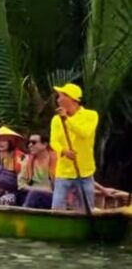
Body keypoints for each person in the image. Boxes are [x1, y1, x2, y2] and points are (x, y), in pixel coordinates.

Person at [50, 83, 99, 211]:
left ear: (71, 98)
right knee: (57, 208)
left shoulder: (91, 115)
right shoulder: (56, 120)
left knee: (87, 209)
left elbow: (85, 133)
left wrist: (67, 120)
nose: (58, 100)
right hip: (63, 171)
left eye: (61, 96)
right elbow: (53, 141)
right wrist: (63, 151)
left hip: (84, 171)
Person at [19, 133, 57, 209]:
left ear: (45, 144)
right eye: (29, 142)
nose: (30, 145)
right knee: (32, 195)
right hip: (32, 194)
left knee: (34, 195)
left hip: (52, 196)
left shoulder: (56, 160)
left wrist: (47, 191)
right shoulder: (27, 161)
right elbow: (21, 185)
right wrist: (41, 189)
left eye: (34, 142)